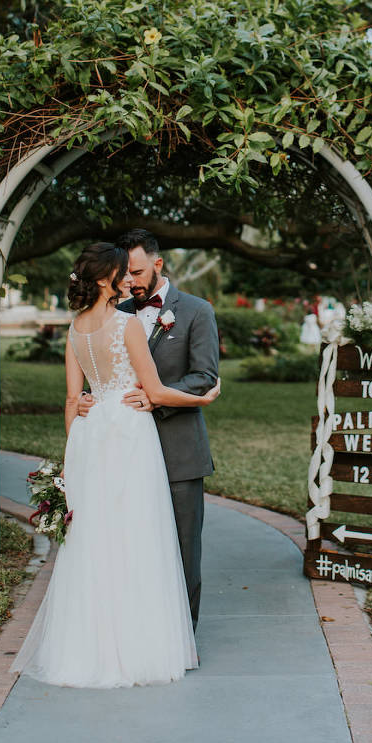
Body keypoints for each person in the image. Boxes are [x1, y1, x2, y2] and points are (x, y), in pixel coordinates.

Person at [11, 242, 220, 689]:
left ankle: (91, 648)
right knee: (138, 539)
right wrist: (204, 397)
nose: (130, 279)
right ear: (108, 277)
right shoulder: (126, 325)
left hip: (91, 438)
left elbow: (71, 401)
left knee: (96, 542)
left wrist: (78, 449)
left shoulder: (74, 328)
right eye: (124, 273)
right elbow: (157, 392)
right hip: (129, 435)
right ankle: (140, 648)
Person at [76, 229, 219, 630]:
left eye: (137, 272)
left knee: (183, 549)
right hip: (121, 450)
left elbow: (205, 376)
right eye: (126, 274)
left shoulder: (196, 311)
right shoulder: (112, 313)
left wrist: (157, 396)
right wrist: (89, 397)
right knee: (129, 547)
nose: (131, 282)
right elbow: (103, 369)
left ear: (158, 264)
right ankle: (139, 635)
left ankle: (182, 638)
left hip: (178, 451)